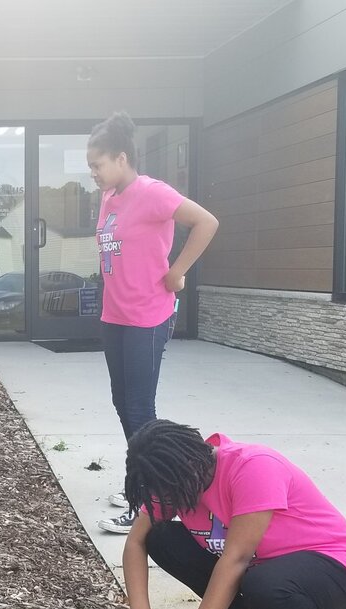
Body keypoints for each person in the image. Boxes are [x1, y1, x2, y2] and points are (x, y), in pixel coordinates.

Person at [121, 420, 346, 609]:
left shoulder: (253, 467)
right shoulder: (172, 478)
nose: (168, 499)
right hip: (262, 567)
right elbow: (136, 541)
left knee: (263, 586)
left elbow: (236, 560)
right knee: (160, 537)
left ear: (192, 466)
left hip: (336, 569)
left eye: (171, 492)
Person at [86, 112, 220, 534]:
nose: (93, 173)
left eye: (98, 165)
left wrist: (177, 271)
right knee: (122, 403)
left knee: (141, 409)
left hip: (147, 316)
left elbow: (206, 222)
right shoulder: (110, 197)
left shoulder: (152, 193)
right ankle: (141, 484)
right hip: (115, 315)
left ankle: (150, 500)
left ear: (122, 158)